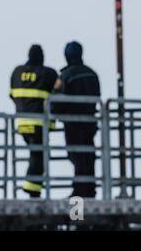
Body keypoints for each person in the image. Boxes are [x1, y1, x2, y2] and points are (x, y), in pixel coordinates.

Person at [53, 41, 100, 198]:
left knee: (77, 157)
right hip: (90, 122)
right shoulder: (92, 74)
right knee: (88, 156)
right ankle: (89, 191)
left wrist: (56, 113)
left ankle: (79, 196)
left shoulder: (66, 75)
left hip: (73, 124)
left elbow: (56, 103)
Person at [10, 45, 57, 198]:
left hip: (22, 122)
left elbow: (12, 94)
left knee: (35, 153)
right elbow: (57, 95)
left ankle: (33, 188)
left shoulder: (17, 72)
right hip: (39, 123)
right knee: (39, 155)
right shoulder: (48, 73)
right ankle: (32, 189)